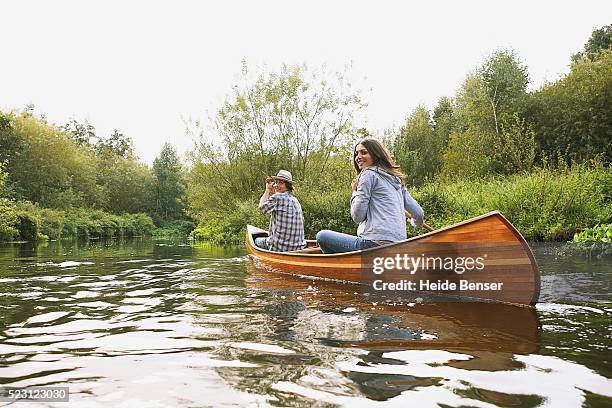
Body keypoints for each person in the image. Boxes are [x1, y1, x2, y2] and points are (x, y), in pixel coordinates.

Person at [316, 137, 424, 253]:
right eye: (356, 153)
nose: (358, 157)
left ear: (375, 154)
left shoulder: (368, 174)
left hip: (375, 245)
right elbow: (418, 213)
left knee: (322, 236)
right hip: (399, 246)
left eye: (364, 152)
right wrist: (415, 222)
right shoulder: (395, 179)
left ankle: (341, 270)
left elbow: (357, 217)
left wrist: (355, 192)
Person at [254, 170, 307, 252]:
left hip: (280, 248)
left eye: (281, 183)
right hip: (298, 248)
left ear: (287, 185)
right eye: (276, 182)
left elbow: (261, 207)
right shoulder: (295, 200)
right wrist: (275, 191)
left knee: (256, 240)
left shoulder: (277, 198)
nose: (277, 185)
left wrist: (267, 190)